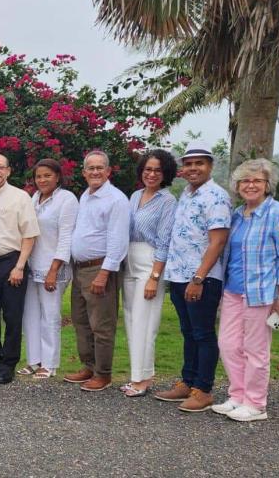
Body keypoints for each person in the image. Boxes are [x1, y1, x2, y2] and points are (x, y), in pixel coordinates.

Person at [211, 159, 279, 421]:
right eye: (245, 181)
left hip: (261, 293)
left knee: (256, 350)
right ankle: (237, 395)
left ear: (267, 185)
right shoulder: (238, 215)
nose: (250, 185)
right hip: (232, 290)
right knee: (227, 344)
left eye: (256, 181)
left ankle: (256, 403)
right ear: (237, 186)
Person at [154, 141, 231, 412]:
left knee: (203, 333)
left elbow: (218, 241)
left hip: (201, 278)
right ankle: (188, 382)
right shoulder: (187, 193)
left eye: (199, 163)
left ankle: (204, 389)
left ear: (210, 166)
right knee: (188, 332)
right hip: (179, 275)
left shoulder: (216, 197)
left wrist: (198, 278)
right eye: (188, 164)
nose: (193, 168)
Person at [64, 150, 129, 392]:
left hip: (100, 269)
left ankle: (103, 373)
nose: (95, 172)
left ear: (108, 171)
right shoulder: (86, 195)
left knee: (101, 325)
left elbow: (118, 241)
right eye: (90, 168)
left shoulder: (116, 200)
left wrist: (104, 274)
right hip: (80, 269)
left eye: (99, 167)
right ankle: (88, 366)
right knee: (81, 322)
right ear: (83, 173)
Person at [0, 154, 39, 384]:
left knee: (12, 317)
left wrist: (20, 266)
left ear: (9, 171)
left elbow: (30, 235)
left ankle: (8, 364)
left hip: (12, 263)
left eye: (0, 167)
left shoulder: (20, 197)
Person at [119, 150, 177, 397]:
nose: (151, 174)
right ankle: (136, 375)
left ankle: (144, 378)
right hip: (129, 261)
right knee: (131, 320)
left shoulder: (167, 201)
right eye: (148, 169)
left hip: (150, 263)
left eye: (157, 170)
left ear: (165, 174)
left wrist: (154, 277)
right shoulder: (134, 196)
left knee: (146, 322)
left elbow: (165, 241)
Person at [21, 159, 78, 379]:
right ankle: (34, 360)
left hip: (53, 268)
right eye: (38, 176)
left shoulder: (66, 200)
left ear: (57, 177)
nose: (42, 180)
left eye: (47, 175)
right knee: (31, 316)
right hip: (32, 266)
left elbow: (66, 238)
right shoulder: (35, 198)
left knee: (50, 316)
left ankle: (50, 364)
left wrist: (54, 270)